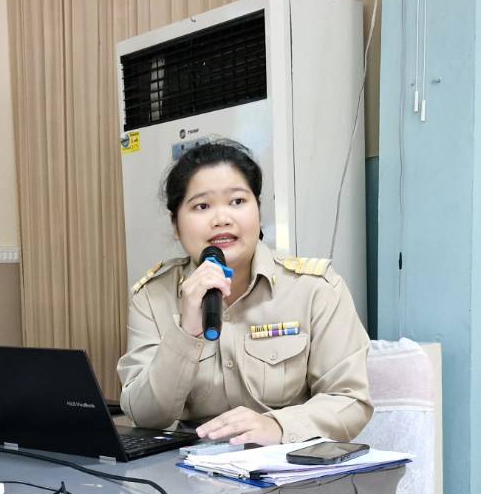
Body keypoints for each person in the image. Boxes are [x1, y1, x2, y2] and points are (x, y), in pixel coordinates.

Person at [117, 141, 372, 446]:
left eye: (237, 201)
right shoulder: (152, 296)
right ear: (176, 224)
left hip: (288, 461)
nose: (222, 219)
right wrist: (185, 331)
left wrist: (277, 426)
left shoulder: (315, 288)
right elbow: (144, 415)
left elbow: (350, 399)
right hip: (188, 465)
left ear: (258, 211)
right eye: (202, 206)